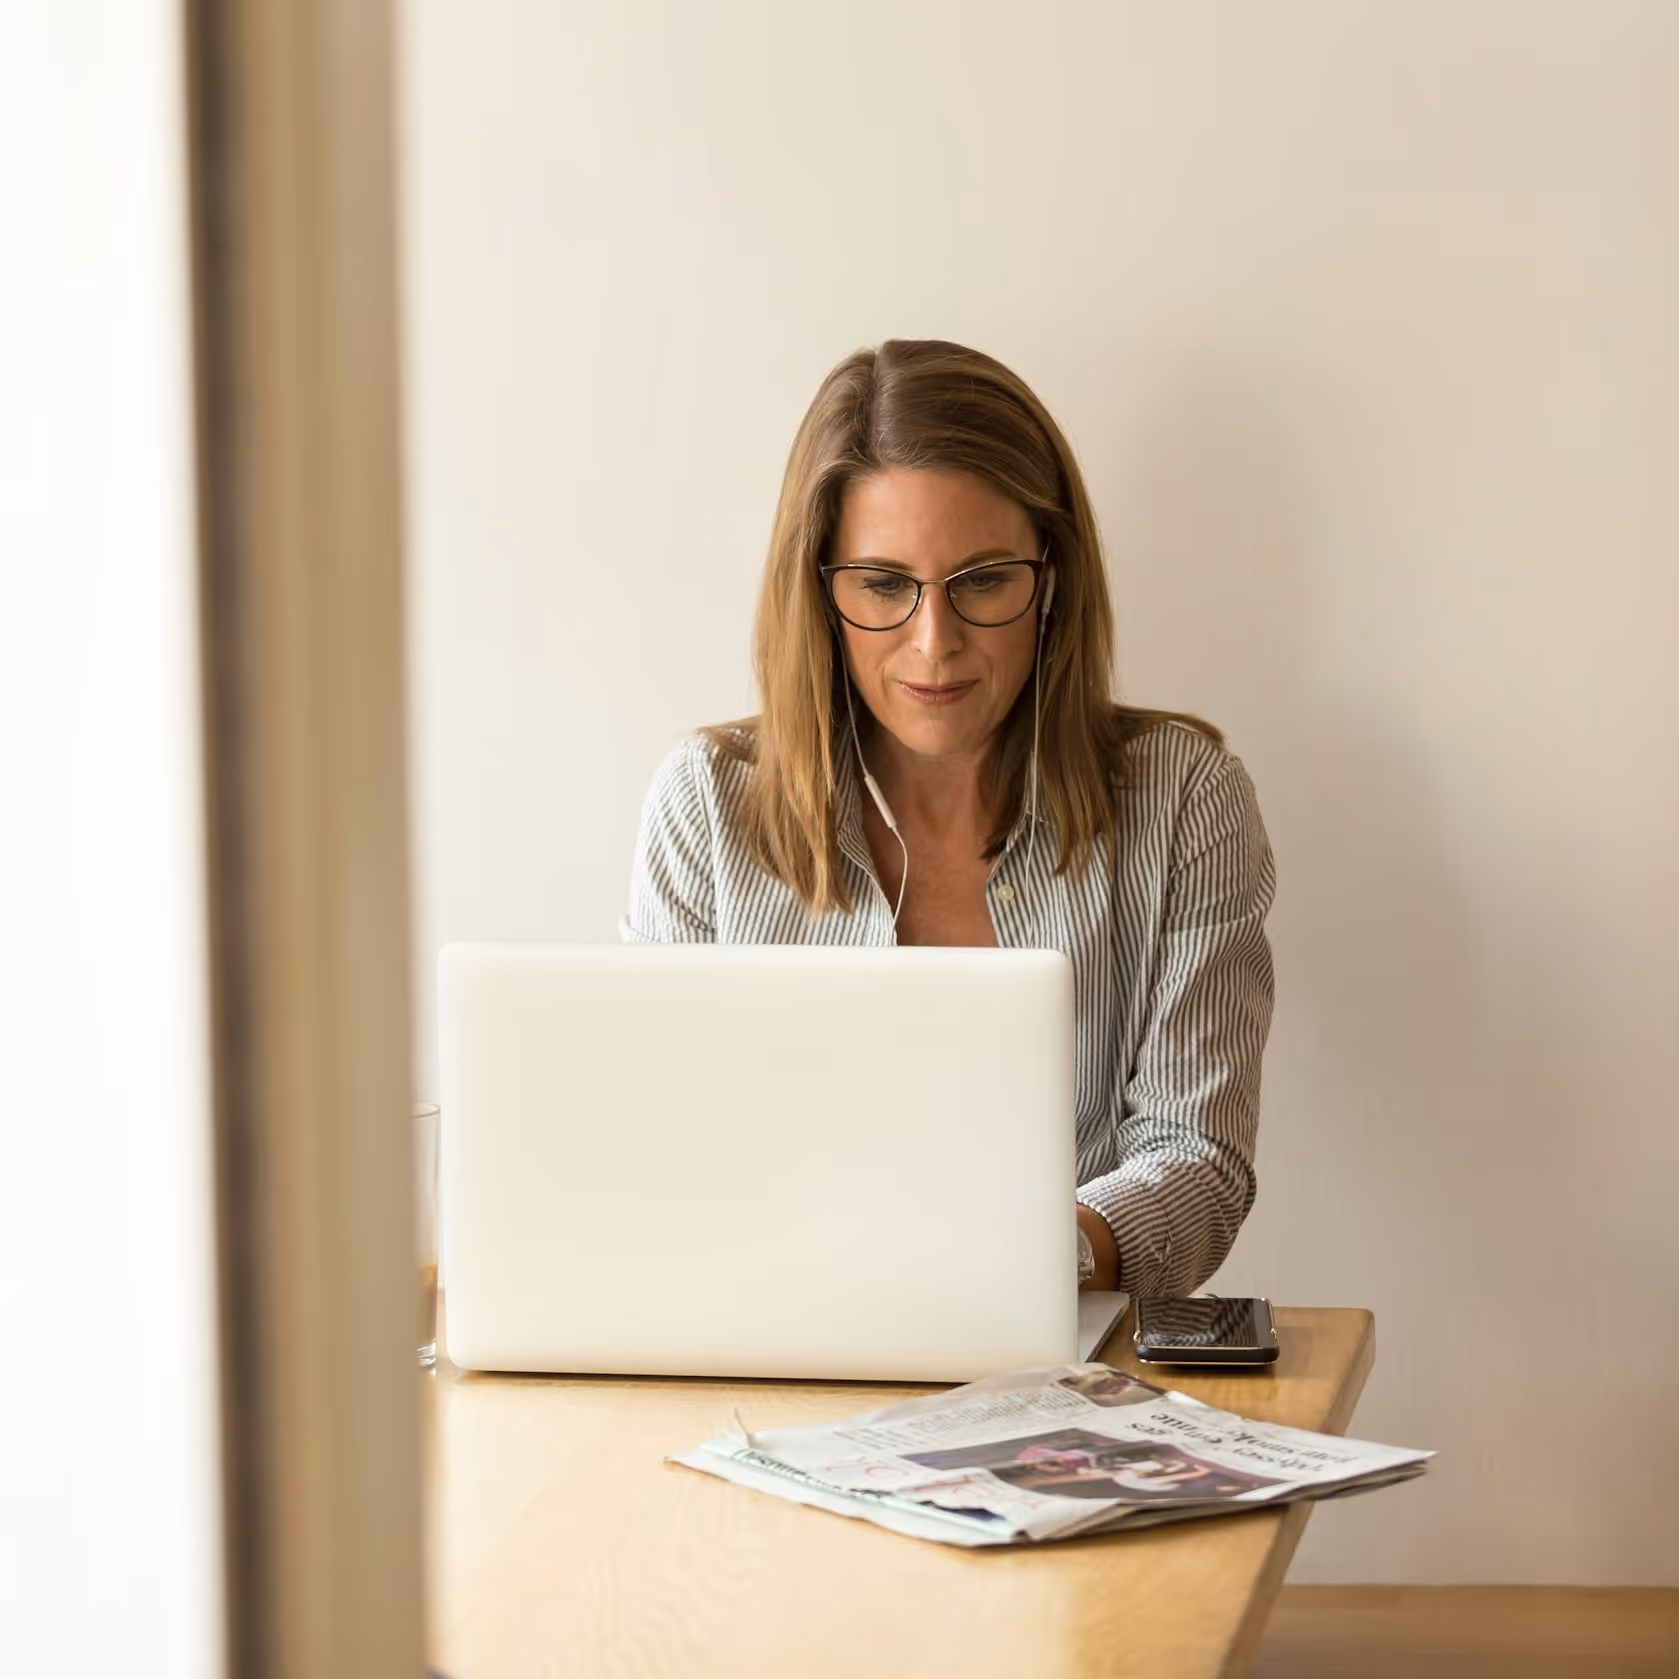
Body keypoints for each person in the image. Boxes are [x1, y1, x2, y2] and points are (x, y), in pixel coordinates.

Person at [623, 339, 1275, 1297]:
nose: (935, 644)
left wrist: (1012, 1269)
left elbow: (1198, 1159)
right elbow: (660, 1154)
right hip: (769, 1354)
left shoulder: (1182, 799)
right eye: (884, 585)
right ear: (820, 590)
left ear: (1049, 578)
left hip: (1068, 1374)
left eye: (981, 581)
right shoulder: (705, 805)